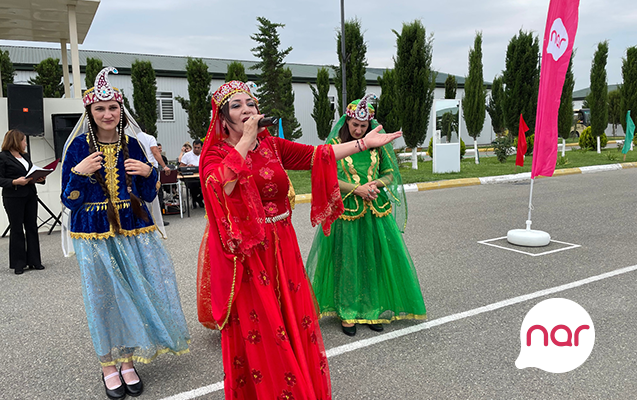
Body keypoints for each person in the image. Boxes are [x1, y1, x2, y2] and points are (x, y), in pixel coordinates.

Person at [196, 81, 401, 400]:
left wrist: (364, 144)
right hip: (250, 256)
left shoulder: (271, 146)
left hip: (282, 245)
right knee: (263, 329)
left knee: (291, 324)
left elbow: (319, 155)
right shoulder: (215, 154)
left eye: (250, 102)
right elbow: (220, 185)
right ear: (222, 119)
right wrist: (246, 141)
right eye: (236, 105)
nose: (247, 109)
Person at [60, 67, 190, 399]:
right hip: (95, 235)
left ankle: (129, 361)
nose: (107, 114)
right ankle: (107, 365)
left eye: (113, 108)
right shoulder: (77, 147)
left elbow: (147, 194)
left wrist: (150, 171)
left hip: (134, 229)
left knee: (135, 293)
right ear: (90, 112)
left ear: (121, 111)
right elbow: (69, 200)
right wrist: (78, 173)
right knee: (103, 299)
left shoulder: (133, 144)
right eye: (100, 109)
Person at [306, 95, 427, 337]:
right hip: (347, 212)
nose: (359, 130)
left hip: (375, 209)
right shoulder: (334, 145)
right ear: (347, 122)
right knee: (348, 261)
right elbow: (326, 177)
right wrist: (357, 189)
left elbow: (390, 175)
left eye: (363, 126)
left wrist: (376, 185)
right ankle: (347, 311)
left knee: (373, 260)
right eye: (355, 125)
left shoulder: (378, 144)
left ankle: (372, 310)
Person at [0, 129, 45, 275]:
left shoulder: (25, 156)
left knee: (32, 226)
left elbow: (30, 173)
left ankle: (34, 261)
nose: (25, 143)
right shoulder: (3, 157)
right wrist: (14, 181)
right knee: (17, 228)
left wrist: (39, 178)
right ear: (15, 141)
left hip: (30, 195)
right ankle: (19, 263)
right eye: (23, 140)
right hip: (13, 197)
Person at [179, 139, 203, 208]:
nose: (196, 149)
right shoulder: (187, 155)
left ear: (201, 147)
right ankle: (197, 200)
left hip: (202, 175)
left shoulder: (204, 154)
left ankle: (197, 199)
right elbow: (181, 167)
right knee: (193, 184)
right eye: (195, 147)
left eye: (198, 148)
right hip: (191, 177)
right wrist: (187, 166)